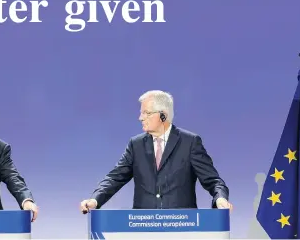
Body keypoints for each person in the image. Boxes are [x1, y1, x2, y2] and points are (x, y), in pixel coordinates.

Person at [80, 90, 232, 213]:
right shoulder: (136, 144)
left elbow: (214, 181)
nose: (140, 117)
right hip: (143, 227)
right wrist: (95, 199)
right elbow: (115, 177)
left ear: (163, 115)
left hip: (182, 227)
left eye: (146, 113)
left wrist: (220, 199)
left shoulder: (190, 142)